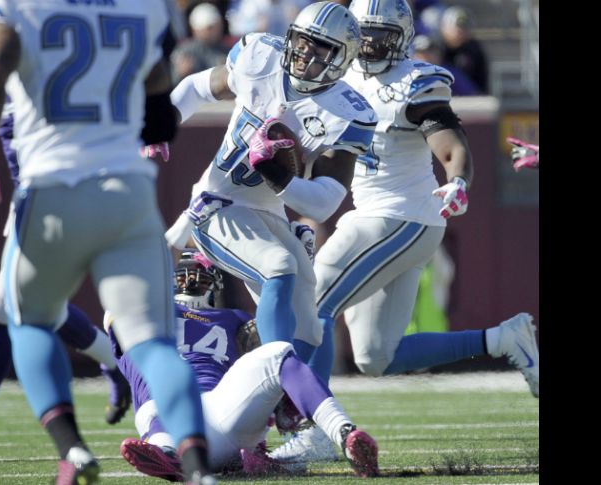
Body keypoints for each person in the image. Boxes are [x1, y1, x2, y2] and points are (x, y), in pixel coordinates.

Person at [271, 0, 539, 463]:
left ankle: (317, 430)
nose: (372, 44)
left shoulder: (415, 82)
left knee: (312, 304)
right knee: (376, 356)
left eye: (382, 35)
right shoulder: (339, 75)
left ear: (404, 37)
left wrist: (457, 181)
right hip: (379, 216)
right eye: (365, 33)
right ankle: (504, 339)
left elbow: (451, 143)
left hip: (401, 215)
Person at [0, 1, 214, 483]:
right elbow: (159, 106)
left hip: (52, 187)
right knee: (154, 344)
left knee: (30, 321)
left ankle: (71, 449)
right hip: (129, 192)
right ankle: (199, 468)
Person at [0, 46, 131, 449]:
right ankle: (114, 364)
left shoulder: (49, 70)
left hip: (61, 199)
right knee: (13, 306)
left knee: (14, 305)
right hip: (27, 205)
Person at [156, 1, 376, 364]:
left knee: (309, 327)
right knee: (276, 267)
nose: (306, 52)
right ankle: (269, 371)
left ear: (343, 57)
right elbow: (199, 86)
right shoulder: (261, 56)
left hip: (266, 210)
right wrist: (163, 123)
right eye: (304, 41)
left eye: (321, 47)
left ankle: (295, 408)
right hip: (217, 205)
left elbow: (323, 204)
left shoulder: (346, 111)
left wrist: (277, 173)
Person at [113, 250, 379, 479]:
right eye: (185, 275)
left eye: (199, 274)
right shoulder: (143, 312)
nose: (192, 280)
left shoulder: (236, 319)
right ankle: (167, 452)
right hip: (170, 409)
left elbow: (291, 344)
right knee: (164, 395)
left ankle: (345, 435)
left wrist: (299, 263)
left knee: (278, 350)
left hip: (221, 408)